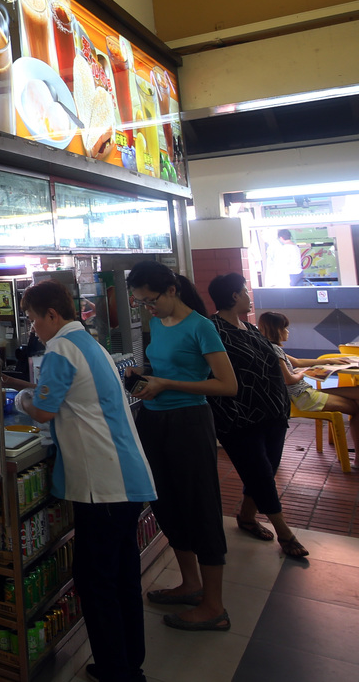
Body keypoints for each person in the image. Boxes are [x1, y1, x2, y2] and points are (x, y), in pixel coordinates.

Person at [14, 280, 155, 682]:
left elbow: (43, 410)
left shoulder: (61, 347)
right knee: (122, 576)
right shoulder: (88, 343)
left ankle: (115, 671)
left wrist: (19, 399)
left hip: (104, 485)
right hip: (124, 476)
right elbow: (67, 397)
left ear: (51, 315)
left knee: (96, 581)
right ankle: (128, 663)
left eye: (33, 319)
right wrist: (28, 390)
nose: (33, 328)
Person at [125, 260, 237, 632]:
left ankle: (215, 606)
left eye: (151, 300)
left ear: (172, 290)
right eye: (141, 303)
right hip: (154, 421)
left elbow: (226, 385)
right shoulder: (158, 323)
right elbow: (166, 369)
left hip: (189, 423)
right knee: (167, 505)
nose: (148, 308)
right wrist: (143, 375)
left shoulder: (201, 327)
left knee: (200, 507)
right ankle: (190, 584)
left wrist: (168, 384)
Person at [206, 275, 305, 559]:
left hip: (273, 413)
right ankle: (284, 532)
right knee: (260, 473)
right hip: (238, 418)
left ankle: (247, 517)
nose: (249, 296)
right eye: (245, 291)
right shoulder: (213, 330)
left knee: (266, 469)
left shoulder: (249, 328)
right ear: (234, 296)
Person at [259, 311, 359, 468]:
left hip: (306, 392)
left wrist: (330, 361)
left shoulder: (270, 347)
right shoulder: (274, 350)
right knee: (356, 408)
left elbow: (298, 362)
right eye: (285, 328)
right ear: (277, 330)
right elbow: (289, 379)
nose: (287, 332)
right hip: (304, 397)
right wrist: (303, 373)